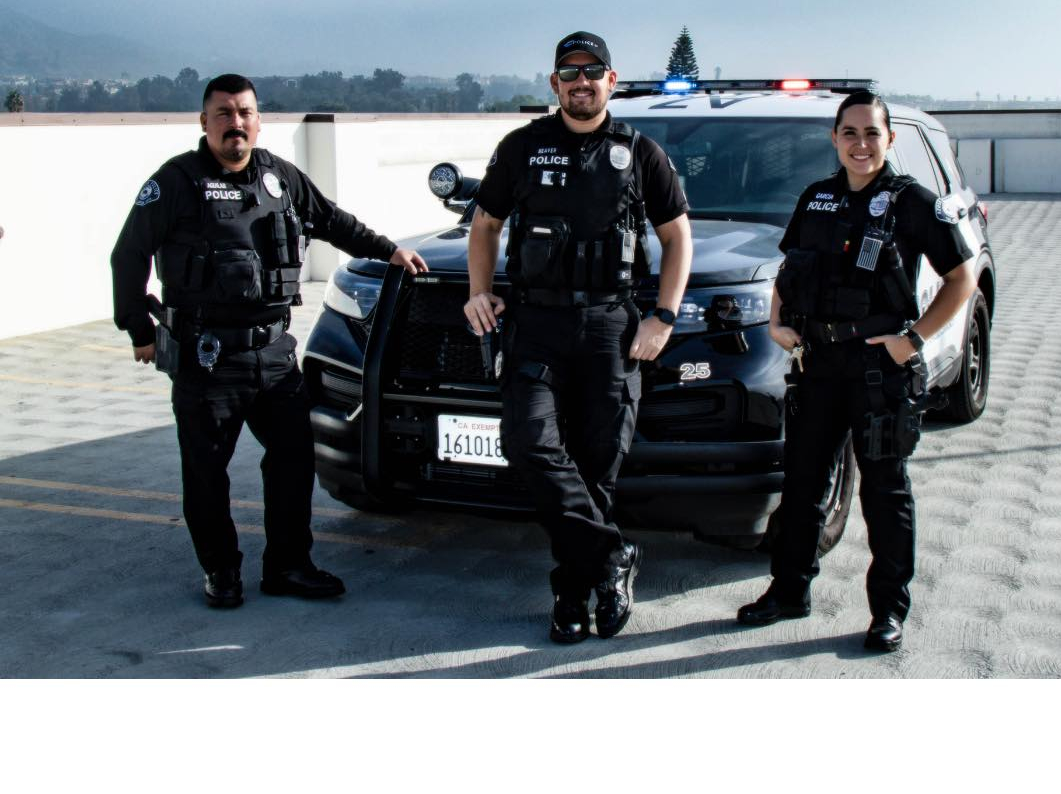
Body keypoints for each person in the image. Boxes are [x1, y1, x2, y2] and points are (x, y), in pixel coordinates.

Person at [111, 73, 427, 608]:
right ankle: (222, 571)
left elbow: (332, 221)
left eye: (246, 113)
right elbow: (128, 256)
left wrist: (388, 249)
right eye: (224, 113)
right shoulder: (176, 182)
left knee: (292, 460)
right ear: (204, 121)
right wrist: (139, 330)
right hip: (207, 358)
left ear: (258, 119)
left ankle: (288, 565)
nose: (236, 123)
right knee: (207, 472)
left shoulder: (279, 178)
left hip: (275, 356)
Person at [465, 32, 692, 643]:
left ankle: (572, 592)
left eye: (593, 71)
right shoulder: (521, 147)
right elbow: (485, 226)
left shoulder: (640, 152)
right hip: (535, 324)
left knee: (596, 467)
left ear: (611, 81)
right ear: (554, 84)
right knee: (529, 445)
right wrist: (478, 290)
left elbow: (677, 238)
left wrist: (663, 316)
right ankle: (615, 556)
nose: (581, 81)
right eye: (570, 72)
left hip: (610, 327)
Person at [736, 90, 976, 652]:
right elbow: (788, 268)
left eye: (872, 133)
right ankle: (789, 591)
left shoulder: (911, 202)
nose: (861, 144)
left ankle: (888, 611)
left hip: (879, 371)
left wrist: (913, 340)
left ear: (889, 138)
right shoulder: (816, 197)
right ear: (835, 139)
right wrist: (777, 323)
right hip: (818, 366)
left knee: (885, 493)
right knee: (801, 488)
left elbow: (961, 279)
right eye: (850, 133)